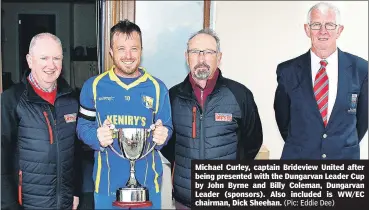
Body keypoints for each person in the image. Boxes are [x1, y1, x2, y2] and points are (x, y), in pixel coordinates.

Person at [161, 28, 263, 209]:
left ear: (219, 57)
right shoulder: (172, 96)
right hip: (185, 201)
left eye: (208, 52)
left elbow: (253, 141)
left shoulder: (240, 95)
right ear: (187, 57)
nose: (201, 59)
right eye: (195, 52)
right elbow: (168, 144)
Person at [76, 19, 173, 209]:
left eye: (134, 49)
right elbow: (82, 126)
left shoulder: (158, 88)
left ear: (141, 51)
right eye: (121, 49)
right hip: (106, 186)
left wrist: (164, 135)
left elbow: (167, 127)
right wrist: (96, 136)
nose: (128, 56)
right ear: (111, 52)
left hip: (148, 187)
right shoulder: (94, 86)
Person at [274, 2, 368, 160]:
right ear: (307, 29)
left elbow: (363, 120)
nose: (323, 31)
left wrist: (337, 145)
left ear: (339, 30)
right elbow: (283, 120)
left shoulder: (361, 69)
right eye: (316, 24)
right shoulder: (287, 71)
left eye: (330, 25)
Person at [1, 33, 81, 209]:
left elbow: (76, 152)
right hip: (27, 205)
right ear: (30, 61)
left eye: (56, 58)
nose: (51, 65)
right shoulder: (11, 100)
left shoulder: (71, 100)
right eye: (44, 58)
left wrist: (76, 192)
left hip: (65, 204)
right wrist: (9, 206)